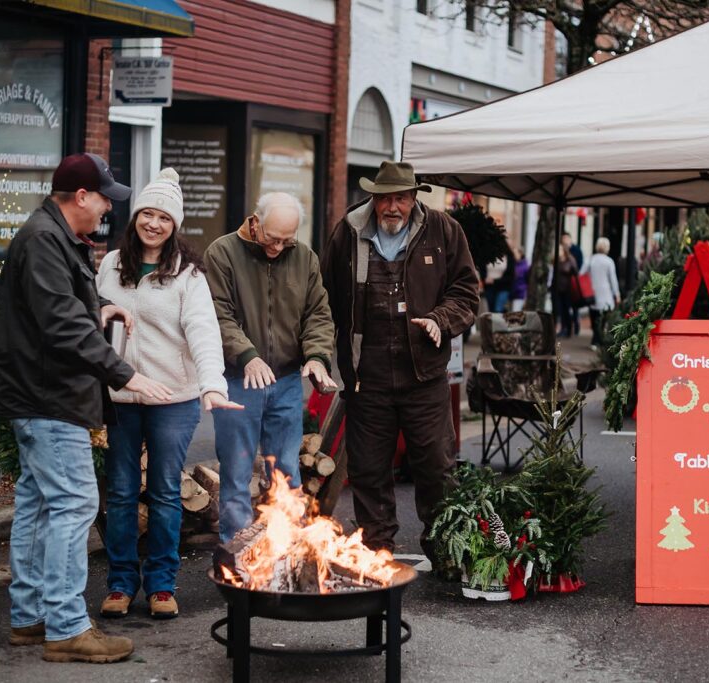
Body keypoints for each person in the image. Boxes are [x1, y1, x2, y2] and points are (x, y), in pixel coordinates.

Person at [0, 153, 173, 663]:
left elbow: (60, 308)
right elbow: (62, 327)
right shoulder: (45, 240)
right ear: (80, 197)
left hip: (37, 396)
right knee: (72, 505)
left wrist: (100, 307)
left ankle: (29, 619)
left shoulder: (48, 236)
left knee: (38, 505)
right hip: (51, 399)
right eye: (102, 200)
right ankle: (68, 627)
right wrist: (128, 374)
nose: (106, 212)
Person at [95, 168, 243, 620]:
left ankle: (161, 585)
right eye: (147, 214)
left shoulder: (188, 275)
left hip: (173, 401)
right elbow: (94, 319)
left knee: (162, 493)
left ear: (175, 225)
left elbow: (203, 333)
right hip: (119, 398)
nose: (154, 224)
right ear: (135, 217)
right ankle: (121, 583)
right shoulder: (109, 265)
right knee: (120, 493)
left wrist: (212, 384)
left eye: (164, 217)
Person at [321, 161, 478, 560]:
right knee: (370, 470)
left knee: (437, 467)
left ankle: (445, 548)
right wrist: (320, 354)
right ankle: (377, 551)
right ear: (374, 199)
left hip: (423, 374)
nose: (393, 207)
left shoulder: (443, 231)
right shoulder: (348, 233)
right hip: (366, 375)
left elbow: (466, 291)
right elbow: (324, 298)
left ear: (414, 199)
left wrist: (442, 320)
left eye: (401, 198)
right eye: (386, 198)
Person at [204, 192, 337, 543]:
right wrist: (247, 355)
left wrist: (317, 356)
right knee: (235, 473)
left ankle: (285, 550)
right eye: (272, 238)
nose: (278, 247)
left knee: (287, 471)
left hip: (287, 380)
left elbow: (318, 316)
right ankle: (236, 554)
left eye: (286, 240)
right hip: (237, 380)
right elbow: (218, 314)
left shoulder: (305, 257)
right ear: (255, 221)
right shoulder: (222, 253)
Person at [584, 237, 622, 346]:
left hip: (592, 293)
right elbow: (613, 280)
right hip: (606, 295)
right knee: (604, 319)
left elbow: (582, 272)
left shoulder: (590, 259)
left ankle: (595, 339)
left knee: (594, 317)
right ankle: (599, 339)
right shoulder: (609, 261)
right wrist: (617, 294)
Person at [561, 231, 584, 334]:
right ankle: (566, 327)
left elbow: (577, 267)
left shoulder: (575, 250)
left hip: (572, 284)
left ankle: (576, 325)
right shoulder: (561, 250)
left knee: (574, 307)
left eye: (566, 238)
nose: (564, 241)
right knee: (564, 307)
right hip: (562, 285)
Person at [554, 244, 579, 337]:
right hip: (558, 289)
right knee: (561, 310)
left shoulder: (570, 260)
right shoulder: (557, 260)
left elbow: (576, 272)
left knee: (567, 309)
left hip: (568, 289)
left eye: (560, 249)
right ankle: (563, 328)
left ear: (564, 250)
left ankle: (569, 328)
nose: (558, 251)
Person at [510, 246, 529, 312]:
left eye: (515, 253)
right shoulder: (514, 264)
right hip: (512, 294)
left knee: (515, 314)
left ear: (520, 254)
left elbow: (527, 282)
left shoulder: (525, 267)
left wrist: (525, 297)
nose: (513, 256)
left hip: (520, 295)